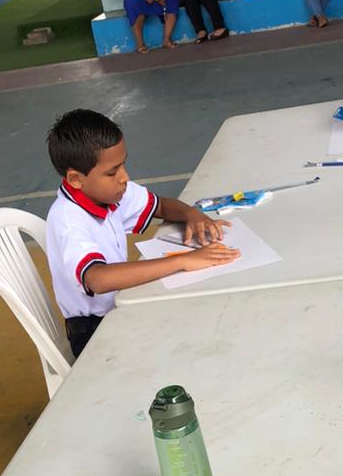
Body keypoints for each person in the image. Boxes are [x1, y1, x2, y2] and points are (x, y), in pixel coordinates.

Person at [44, 109, 239, 357]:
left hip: (123, 303)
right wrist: (182, 260)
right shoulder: (68, 220)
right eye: (112, 172)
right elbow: (98, 279)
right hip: (95, 331)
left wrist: (193, 215)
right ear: (75, 179)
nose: (124, 177)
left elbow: (161, 206)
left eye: (123, 164)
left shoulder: (107, 193)